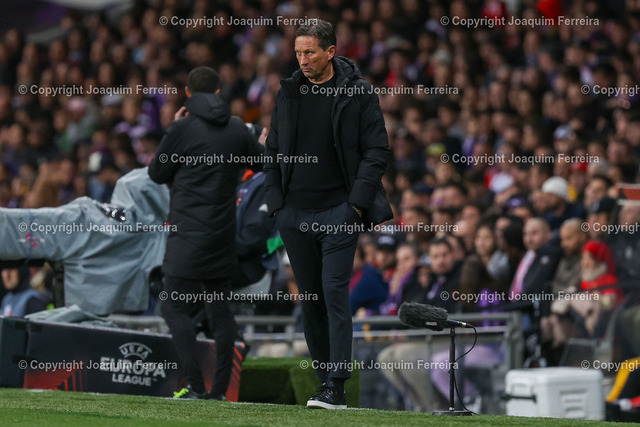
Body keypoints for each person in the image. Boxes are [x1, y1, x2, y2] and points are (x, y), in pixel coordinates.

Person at [264, 19, 391, 409]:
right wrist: (277, 204)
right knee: (311, 300)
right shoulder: (289, 92)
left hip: (339, 212)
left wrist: (355, 206)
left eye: (310, 52)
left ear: (331, 51)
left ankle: (336, 384)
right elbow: (273, 149)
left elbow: (377, 150)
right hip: (294, 214)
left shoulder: (358, 92)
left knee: (334, 294)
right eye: (298, 53)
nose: (302, 60)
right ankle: (325, 384)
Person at [148, 66, 264, 400]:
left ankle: (196, 385)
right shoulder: (237, 127)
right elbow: (263, 164)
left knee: (172, 308)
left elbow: (157, 173)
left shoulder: (182, 128)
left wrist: (172, 130)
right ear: (217, 92)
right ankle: (220, 391)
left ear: (188, 93)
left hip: (186, 236)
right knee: (220, 311)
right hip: (221, 238)